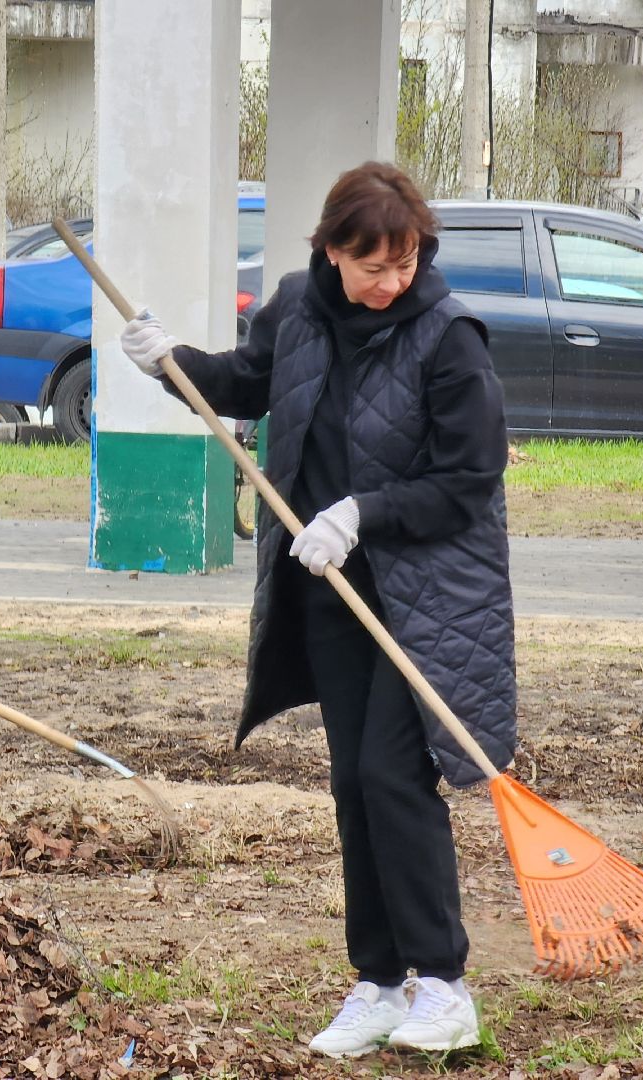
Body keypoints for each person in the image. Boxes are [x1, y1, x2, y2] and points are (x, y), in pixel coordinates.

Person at [119, 162, 515, 1058]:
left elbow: (468, 478)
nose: (392, 282)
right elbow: (248, 384)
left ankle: (444, 986)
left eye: (406, 263)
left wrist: (360, 512)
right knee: (349, 782)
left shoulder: (450, 337)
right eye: (374, 266)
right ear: (331, 251)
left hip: (424, 595)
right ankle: (377, 983)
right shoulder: (298, 307)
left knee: (391, 775)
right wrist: (171, 364)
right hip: (328, 587)